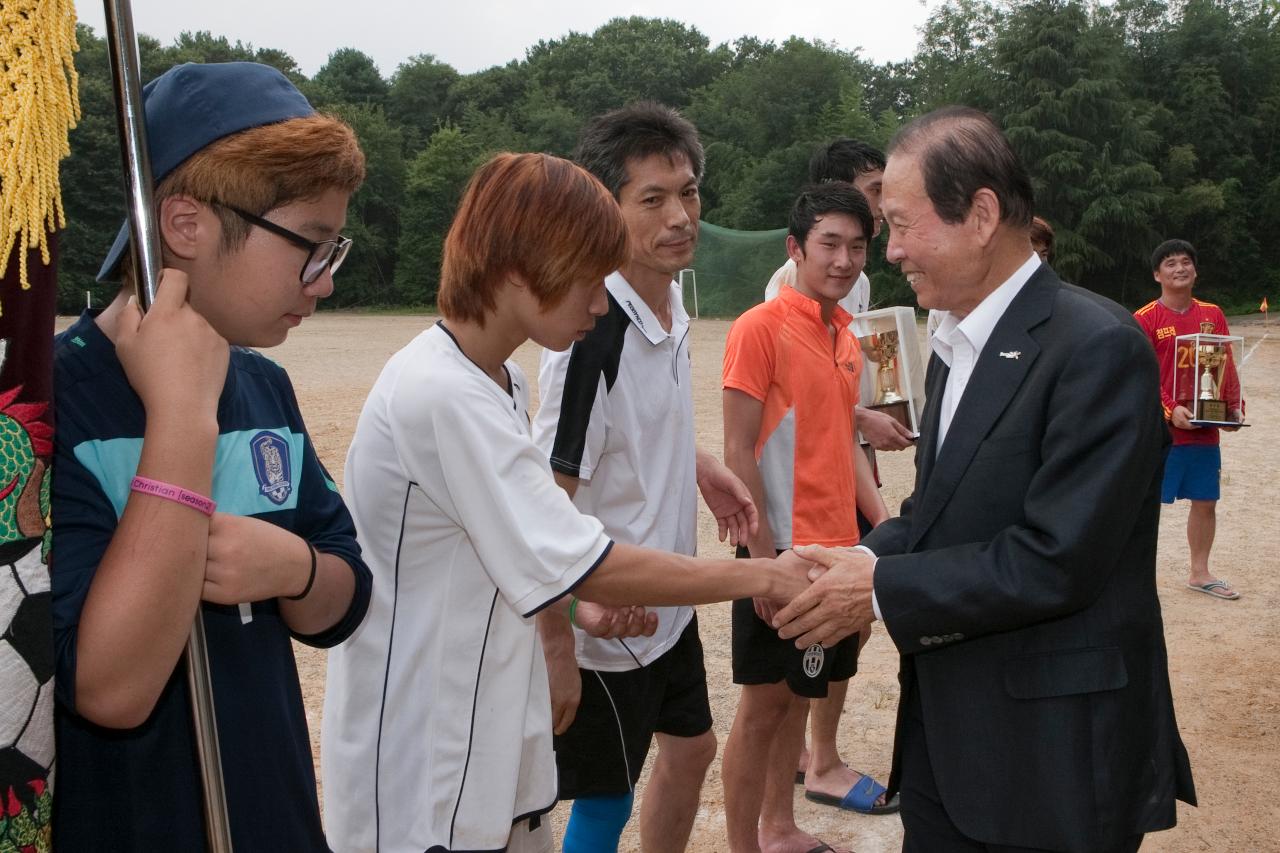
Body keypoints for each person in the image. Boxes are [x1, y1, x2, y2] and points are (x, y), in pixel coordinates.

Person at [321, 152, 811, 853]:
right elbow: (589, 562)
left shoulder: (498, 383)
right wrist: (768, 573)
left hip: (487, 736)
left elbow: (525, 548)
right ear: (521, 271)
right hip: (423, 760)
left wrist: (685, 472)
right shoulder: (441, 394)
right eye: (589, 278)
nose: (601, 301)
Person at [772, 106, 1196, 852]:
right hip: (948, 741)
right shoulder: (952, 343)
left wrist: (873, 591)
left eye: (901, 225)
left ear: (981, 214)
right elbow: (939, 512)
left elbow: (1056, 557)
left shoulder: (1097, 346)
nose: (891, 251)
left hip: (1052, 756)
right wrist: (862, 555)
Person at [51, 62, 372, 850]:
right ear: (186, 224)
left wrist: (291, 566)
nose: (323, 282)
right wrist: (184, 423)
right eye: (311, 247)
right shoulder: (50, 409)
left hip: (273, 819)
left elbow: (348, 593)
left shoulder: (263, 388)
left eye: (335, 250)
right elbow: (111, 688)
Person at [532, 102, 757, 853]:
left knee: (691, 751)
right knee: (604, 799)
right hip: (611, 621)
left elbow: (632, 431)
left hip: (669, 607)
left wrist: (700, 467)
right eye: (652, 199)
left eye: (688, 192)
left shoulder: (669, 305)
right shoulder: (587, 333)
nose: (680, 216)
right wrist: (572, 616)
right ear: (606, 208)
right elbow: (543, 497)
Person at [720, 182, 890, 853]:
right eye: (829, 244)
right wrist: (764, 564)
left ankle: (780, 825)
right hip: (780, 551)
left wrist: (888, 525)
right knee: (761, 708)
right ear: (795, 249)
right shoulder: (758, 328)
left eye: (856, 246)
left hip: (836, 551)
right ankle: (744, 845)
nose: (844, 259)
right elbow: (738, 448)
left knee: (799, 692)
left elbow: (844, 443)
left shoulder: (844, 334)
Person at [762, 137, 906, 818]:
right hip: (812, 482)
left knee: (853, 616)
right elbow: (806, 409)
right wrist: (863, 422)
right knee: (833, 616)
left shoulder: (858, 280)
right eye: (873, 190)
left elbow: (853, 376)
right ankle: (820, 759)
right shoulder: (788, 292)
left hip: (847, 462)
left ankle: (808, 749)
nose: (884, 204)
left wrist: (874, 414)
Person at [1134, 239, 1243, 600]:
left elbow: (1225, 363)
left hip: (1203, 428)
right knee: (1143, 503)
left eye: (1185, 262)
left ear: (1195, 270)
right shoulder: (1145, 318)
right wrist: (1169, 410)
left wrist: (1233, 406)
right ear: (1156, 274)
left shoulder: (1213, 314)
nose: (1179, 268)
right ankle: (1132, 578)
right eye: (1170, 264)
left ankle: (1200, 572)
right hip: (1160, 433)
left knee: (1205, 500)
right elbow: (1142, 376)